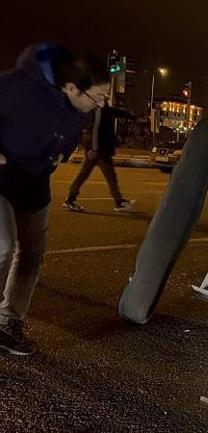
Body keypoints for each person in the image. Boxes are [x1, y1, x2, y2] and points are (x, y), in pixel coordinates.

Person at [0, 44, 110, 355]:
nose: (102, 103)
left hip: (35, 183)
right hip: (1, 177)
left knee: (32, 255)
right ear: (73, 87)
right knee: (3, 246)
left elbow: (70, 132)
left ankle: (8, 323)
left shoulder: (81, 106)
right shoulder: (18, 87)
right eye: (97, 96)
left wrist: (65, 149)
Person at [63, 101, 137, 212]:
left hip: (98, 149)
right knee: (110, 176)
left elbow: (113, 112)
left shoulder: (101, 107)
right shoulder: (98, 108)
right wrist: (94, 149)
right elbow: (95, 129)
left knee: (84, 174)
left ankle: (70, 199)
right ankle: (118, 201)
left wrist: (132, 117)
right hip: (99, 150)